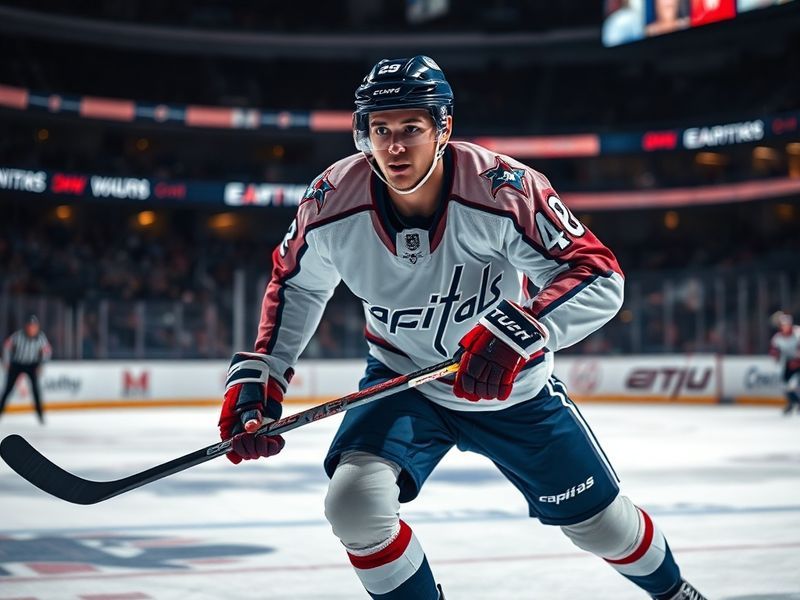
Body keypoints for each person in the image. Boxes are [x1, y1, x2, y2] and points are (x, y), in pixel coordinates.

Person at [217, 56, 707, 600]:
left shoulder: (504, 188)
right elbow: (297, 284)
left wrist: (516, 333)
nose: (395, 147)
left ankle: (674, 593)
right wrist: (264, 372)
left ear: (443, 128)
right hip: (404, 383)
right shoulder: (330, 200)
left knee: (601, 525)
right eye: (381, 130)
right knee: (354, 507)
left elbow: (598, 274)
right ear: (364, 133)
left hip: (513, 391)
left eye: (411, 128)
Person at [1, 314, 52, 423]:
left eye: (33, 326)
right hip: (17, 364)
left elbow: (47, 351)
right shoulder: (18, 335)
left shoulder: (41, 337)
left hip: (32, 365)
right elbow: (6, 346)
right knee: (7, 390)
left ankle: (40, 416)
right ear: (26, 326)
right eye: (30, 326)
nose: (31, 328)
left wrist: (41, 364)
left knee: (36, 391)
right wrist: (6, 362)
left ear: (37, 327)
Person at [769, 312, 800, 415]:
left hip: (798, 361)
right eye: (783, 325)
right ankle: (792, 402)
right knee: (785, 385)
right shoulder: (777, 338)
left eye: (787, 325)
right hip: (788, 363)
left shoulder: (797, 333)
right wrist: (776, 355)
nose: (785, 327)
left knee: (796, 384)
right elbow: (774, 351)